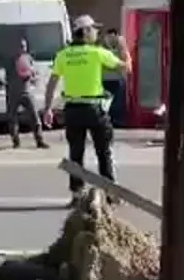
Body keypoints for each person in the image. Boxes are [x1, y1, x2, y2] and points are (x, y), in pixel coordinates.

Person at [42, 15, 130, 204]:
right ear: (86, 32)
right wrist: (123, 47)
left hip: (73, 109)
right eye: (94, 29)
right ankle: (110, 193)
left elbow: (52, 83)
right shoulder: (96, 53)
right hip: (94, 109)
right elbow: (126, 69)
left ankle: (77, 194)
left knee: (76, 152)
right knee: (103, 151)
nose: (97, 33)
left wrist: (48, 109)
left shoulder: (64, 55)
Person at [0, 37, 48, 149]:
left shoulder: (28, 58)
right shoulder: (8, 59)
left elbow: (32, 71)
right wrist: (0, 81)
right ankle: (16, 141)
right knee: (12, 118)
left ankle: (39, 140)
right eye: (21, 46)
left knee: (34, 116)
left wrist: (33, 78)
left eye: (25, 46)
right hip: (13, 92)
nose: (24, 48)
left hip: (26, 91)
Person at [101, 27, 129, 128]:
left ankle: (115, 120)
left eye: (112, 37)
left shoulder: (119, 46)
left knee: (116, 101)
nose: (110, 39)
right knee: (109, 102)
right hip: (109, 79)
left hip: (115, 78)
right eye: (109, 37)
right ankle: (112, 120)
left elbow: (125, 60)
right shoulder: (103, 48)